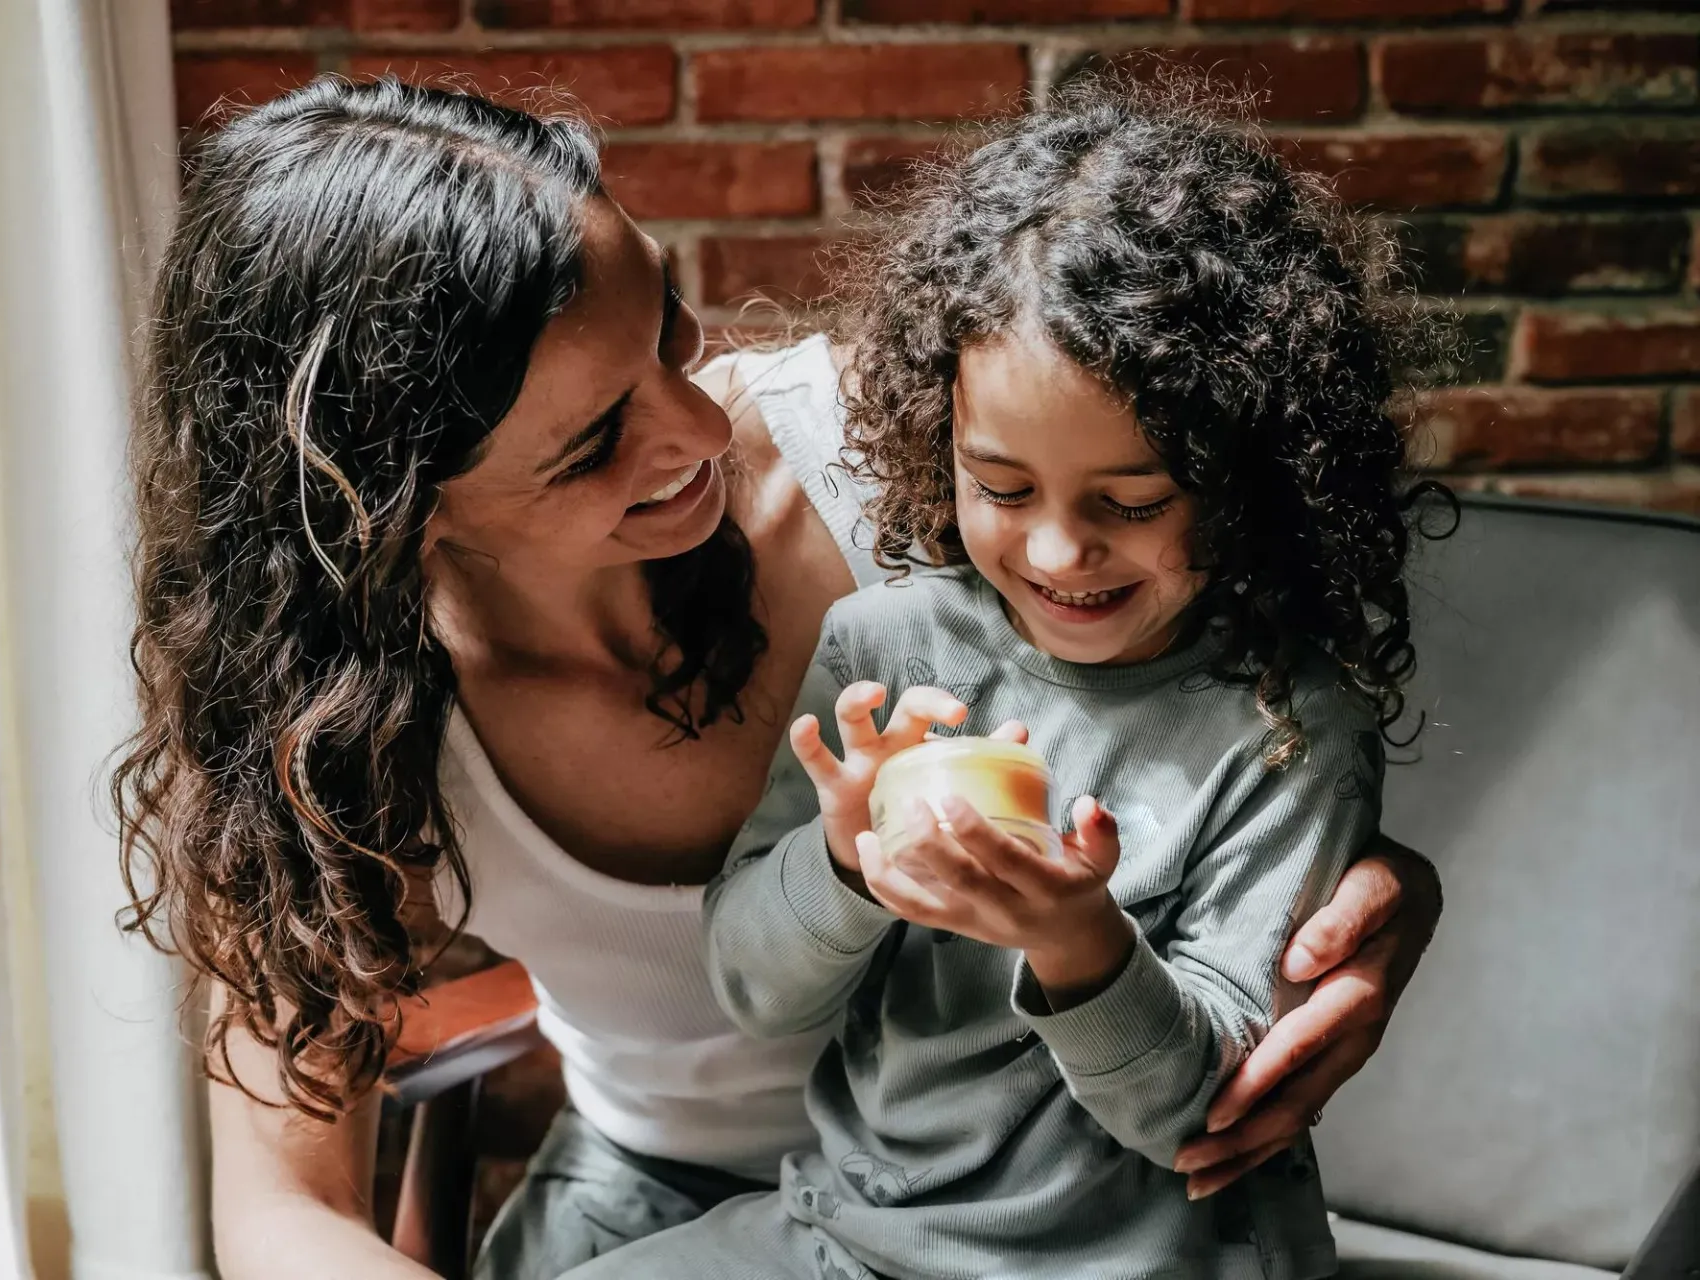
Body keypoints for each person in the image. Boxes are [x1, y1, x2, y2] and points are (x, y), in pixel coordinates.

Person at [112, 75, 1445, 1280]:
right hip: (687, 1203)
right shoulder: (326, 721)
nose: (699, 429)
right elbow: (283, 1215)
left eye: (672, 338)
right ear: (396, 510)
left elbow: (1254, 665)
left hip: (1066, 1214)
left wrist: (1385, 893)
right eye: (591, 445)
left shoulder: (929, 457)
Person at [564, 79, 1455, 1280]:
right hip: (858, 1234)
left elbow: (1203, 1117)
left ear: (1250, 475)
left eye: (1130, 501)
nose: (1055, 551)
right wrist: (841, 860)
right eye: (1003, 486)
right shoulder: (887, 650)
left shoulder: (1285, 723)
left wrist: (1077, 933)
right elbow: (755, 991)